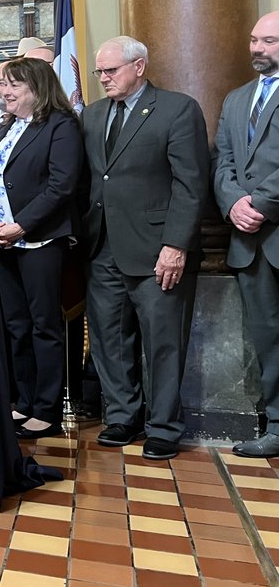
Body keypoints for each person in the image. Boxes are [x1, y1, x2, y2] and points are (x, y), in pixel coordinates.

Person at [81, 35, 208, 460]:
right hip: (102, 247)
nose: (103, 79)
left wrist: (176, 245)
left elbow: (190, 185)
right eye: (99, 71)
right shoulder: (94, 116)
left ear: (139, 66)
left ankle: (164, 426)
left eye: (110, 70)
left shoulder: (177, 109)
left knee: (162, 341)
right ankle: (122, 416)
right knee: (108, 337)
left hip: (157, 249)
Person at [0, 58, 83, 439]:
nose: (3, 92)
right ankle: (24, 401)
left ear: (37, 89)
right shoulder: (2, 128)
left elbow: (62, 185)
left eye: (13, 87)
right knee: (16, 324)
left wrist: (22, 225)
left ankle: (47, 409)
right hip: (0, 240)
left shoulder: (61, 125)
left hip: (40, 240)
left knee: (44, 326)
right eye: (3, 86)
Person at [214, 12, 279, 457]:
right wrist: (234, 201)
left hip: (272, 224)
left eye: (269, 41)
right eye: (254, 39)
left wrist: (260, 204)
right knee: (268, 338)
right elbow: (222, 163)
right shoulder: (236, 99)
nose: (258, 48)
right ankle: (277, 426)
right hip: (251, 244)